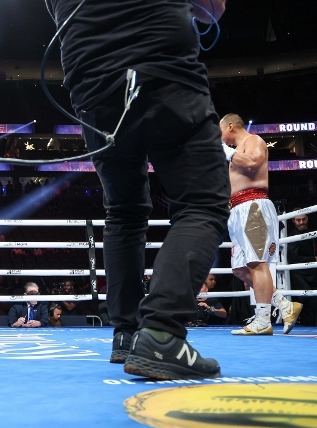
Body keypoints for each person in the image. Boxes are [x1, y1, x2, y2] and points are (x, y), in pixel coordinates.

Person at [46, 0, 230, 379]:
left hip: (93, 88)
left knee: (123, 211)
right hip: (164, 70)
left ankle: (126, 334)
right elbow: (211, 8)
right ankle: (161, 331)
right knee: (202, 203)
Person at [220, 113, 302, 335]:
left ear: (230, 126)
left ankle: (263, 320)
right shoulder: (235, 151)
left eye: (220, 131)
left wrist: (226, 151)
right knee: (240, 269)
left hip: (253, 205)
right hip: (237, 210)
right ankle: (284, 305)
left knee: (257, 263)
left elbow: (253, 163)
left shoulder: (253, 140)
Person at [287, 213, 317, 326]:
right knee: (307, 299)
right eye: (298, 220)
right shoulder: (293, 236)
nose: (301, 222)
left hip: (312, 272)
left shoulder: (310, 232)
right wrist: (313, 258)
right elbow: (293, 258)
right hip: (299, 273)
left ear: (307, 218)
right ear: (293, 221)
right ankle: (307, 323)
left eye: (304, 219)